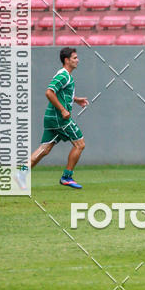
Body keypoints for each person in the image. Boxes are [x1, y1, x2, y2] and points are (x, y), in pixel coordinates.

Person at [28, 47, 88, 188]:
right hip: (59, 118)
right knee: (80, 144)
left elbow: (60, 94)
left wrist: (76, 99)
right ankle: (67, 177)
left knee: (44, 150)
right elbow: (49, 92)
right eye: (74, 58)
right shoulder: (64, 75)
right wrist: (62, 110)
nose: (77, 60)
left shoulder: (65, 76)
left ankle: (19, 176)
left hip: (51, 118)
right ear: (66, 60)